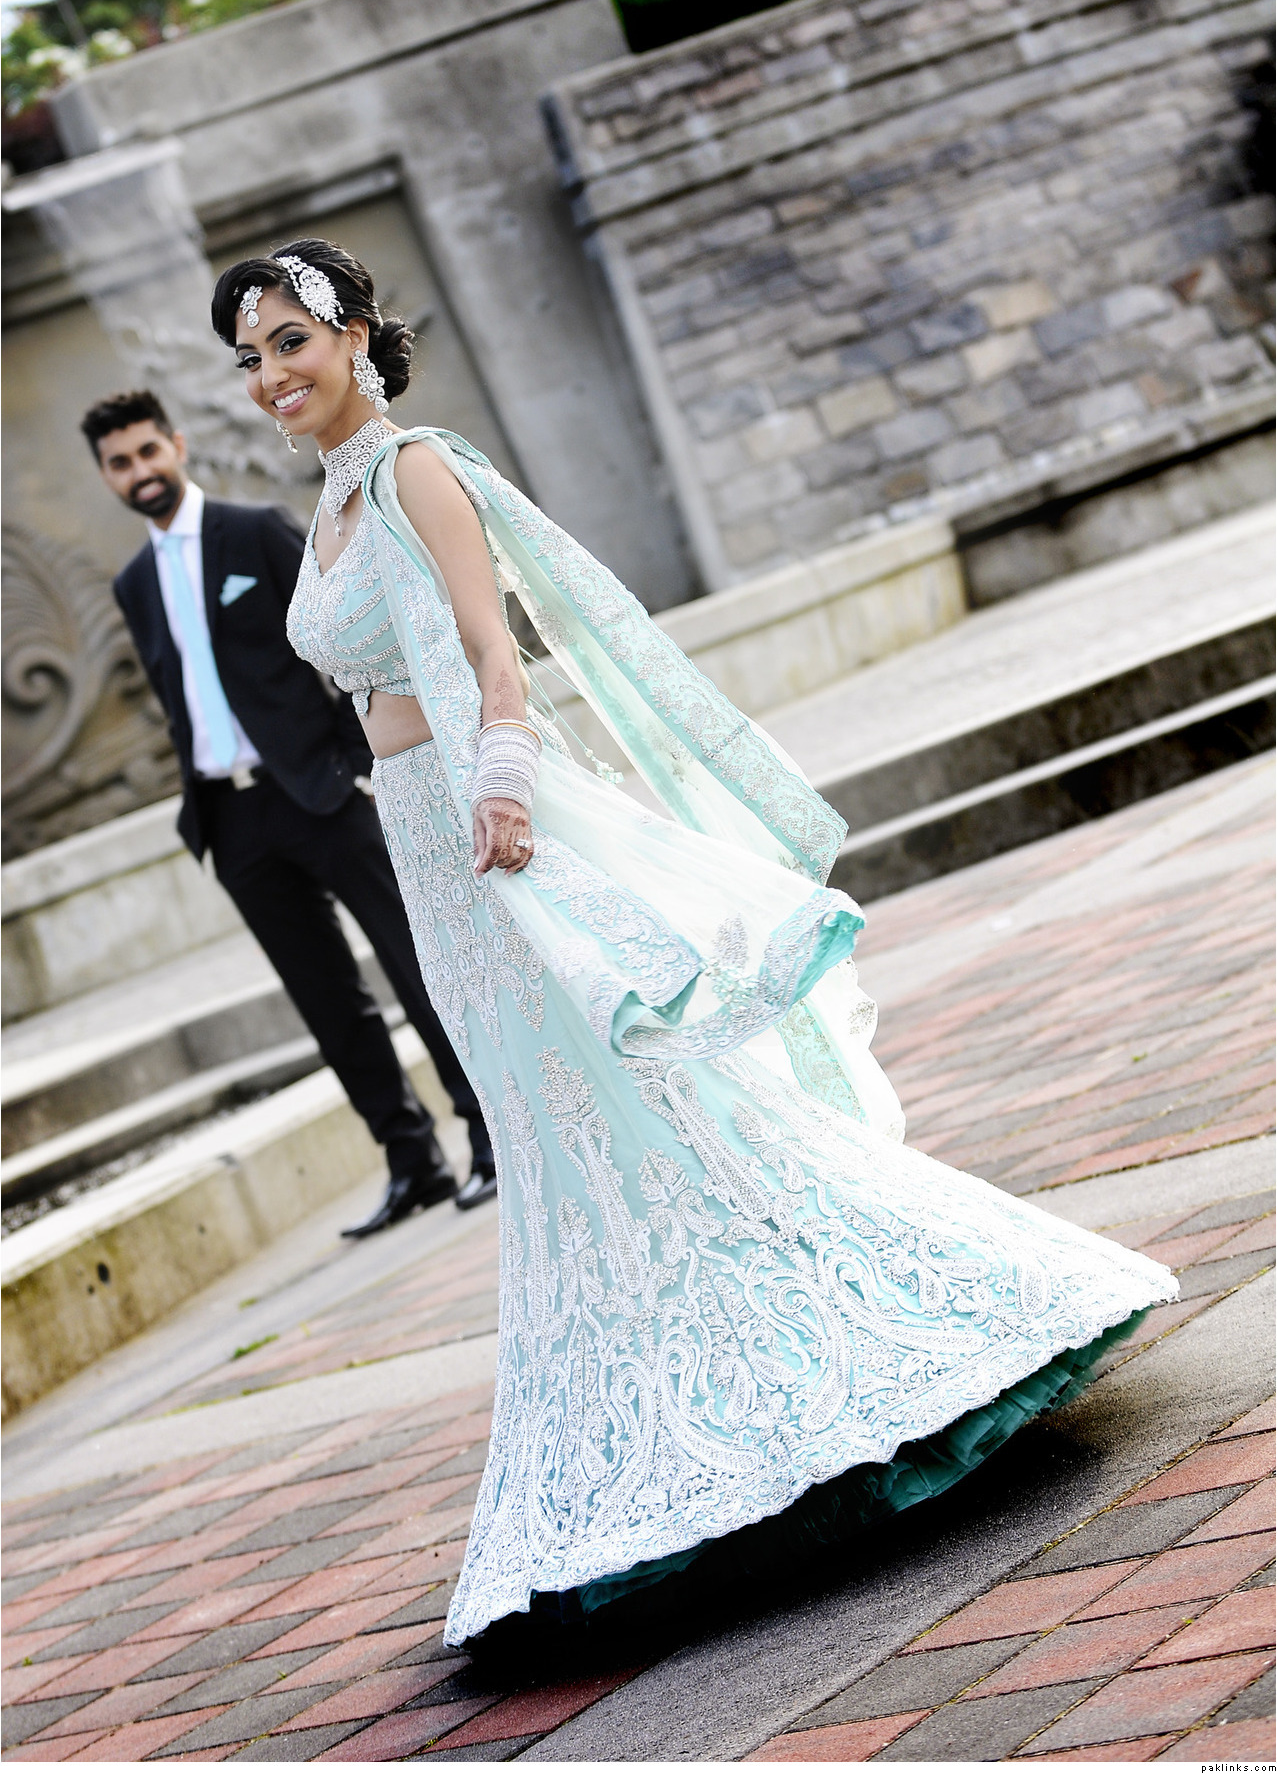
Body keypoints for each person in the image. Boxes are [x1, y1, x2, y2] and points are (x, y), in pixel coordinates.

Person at [211, 237, 1177, 1652]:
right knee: (558, 1132)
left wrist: (502, 781)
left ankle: (884, 1344)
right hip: (421, 845)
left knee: (646, 1100)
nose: (269, 376)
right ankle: (652, 1406)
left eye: (290, 342)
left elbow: (489, 650)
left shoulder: (416, 470)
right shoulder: (329, 505)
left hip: (486, 824)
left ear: (355, 332)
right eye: (249, 359)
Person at [87, 387, 499, 1231]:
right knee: (327, 1003)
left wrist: (353, 765)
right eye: (119, 464)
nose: (139, 472)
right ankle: (410, 1160)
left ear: (177, 445)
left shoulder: (255, 531)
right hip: (231, 819)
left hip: (320, 793)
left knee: (414, 962)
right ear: (107, 477)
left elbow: (337, 643)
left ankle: (488, 1133)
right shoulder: (131, 583)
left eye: (148, 452)